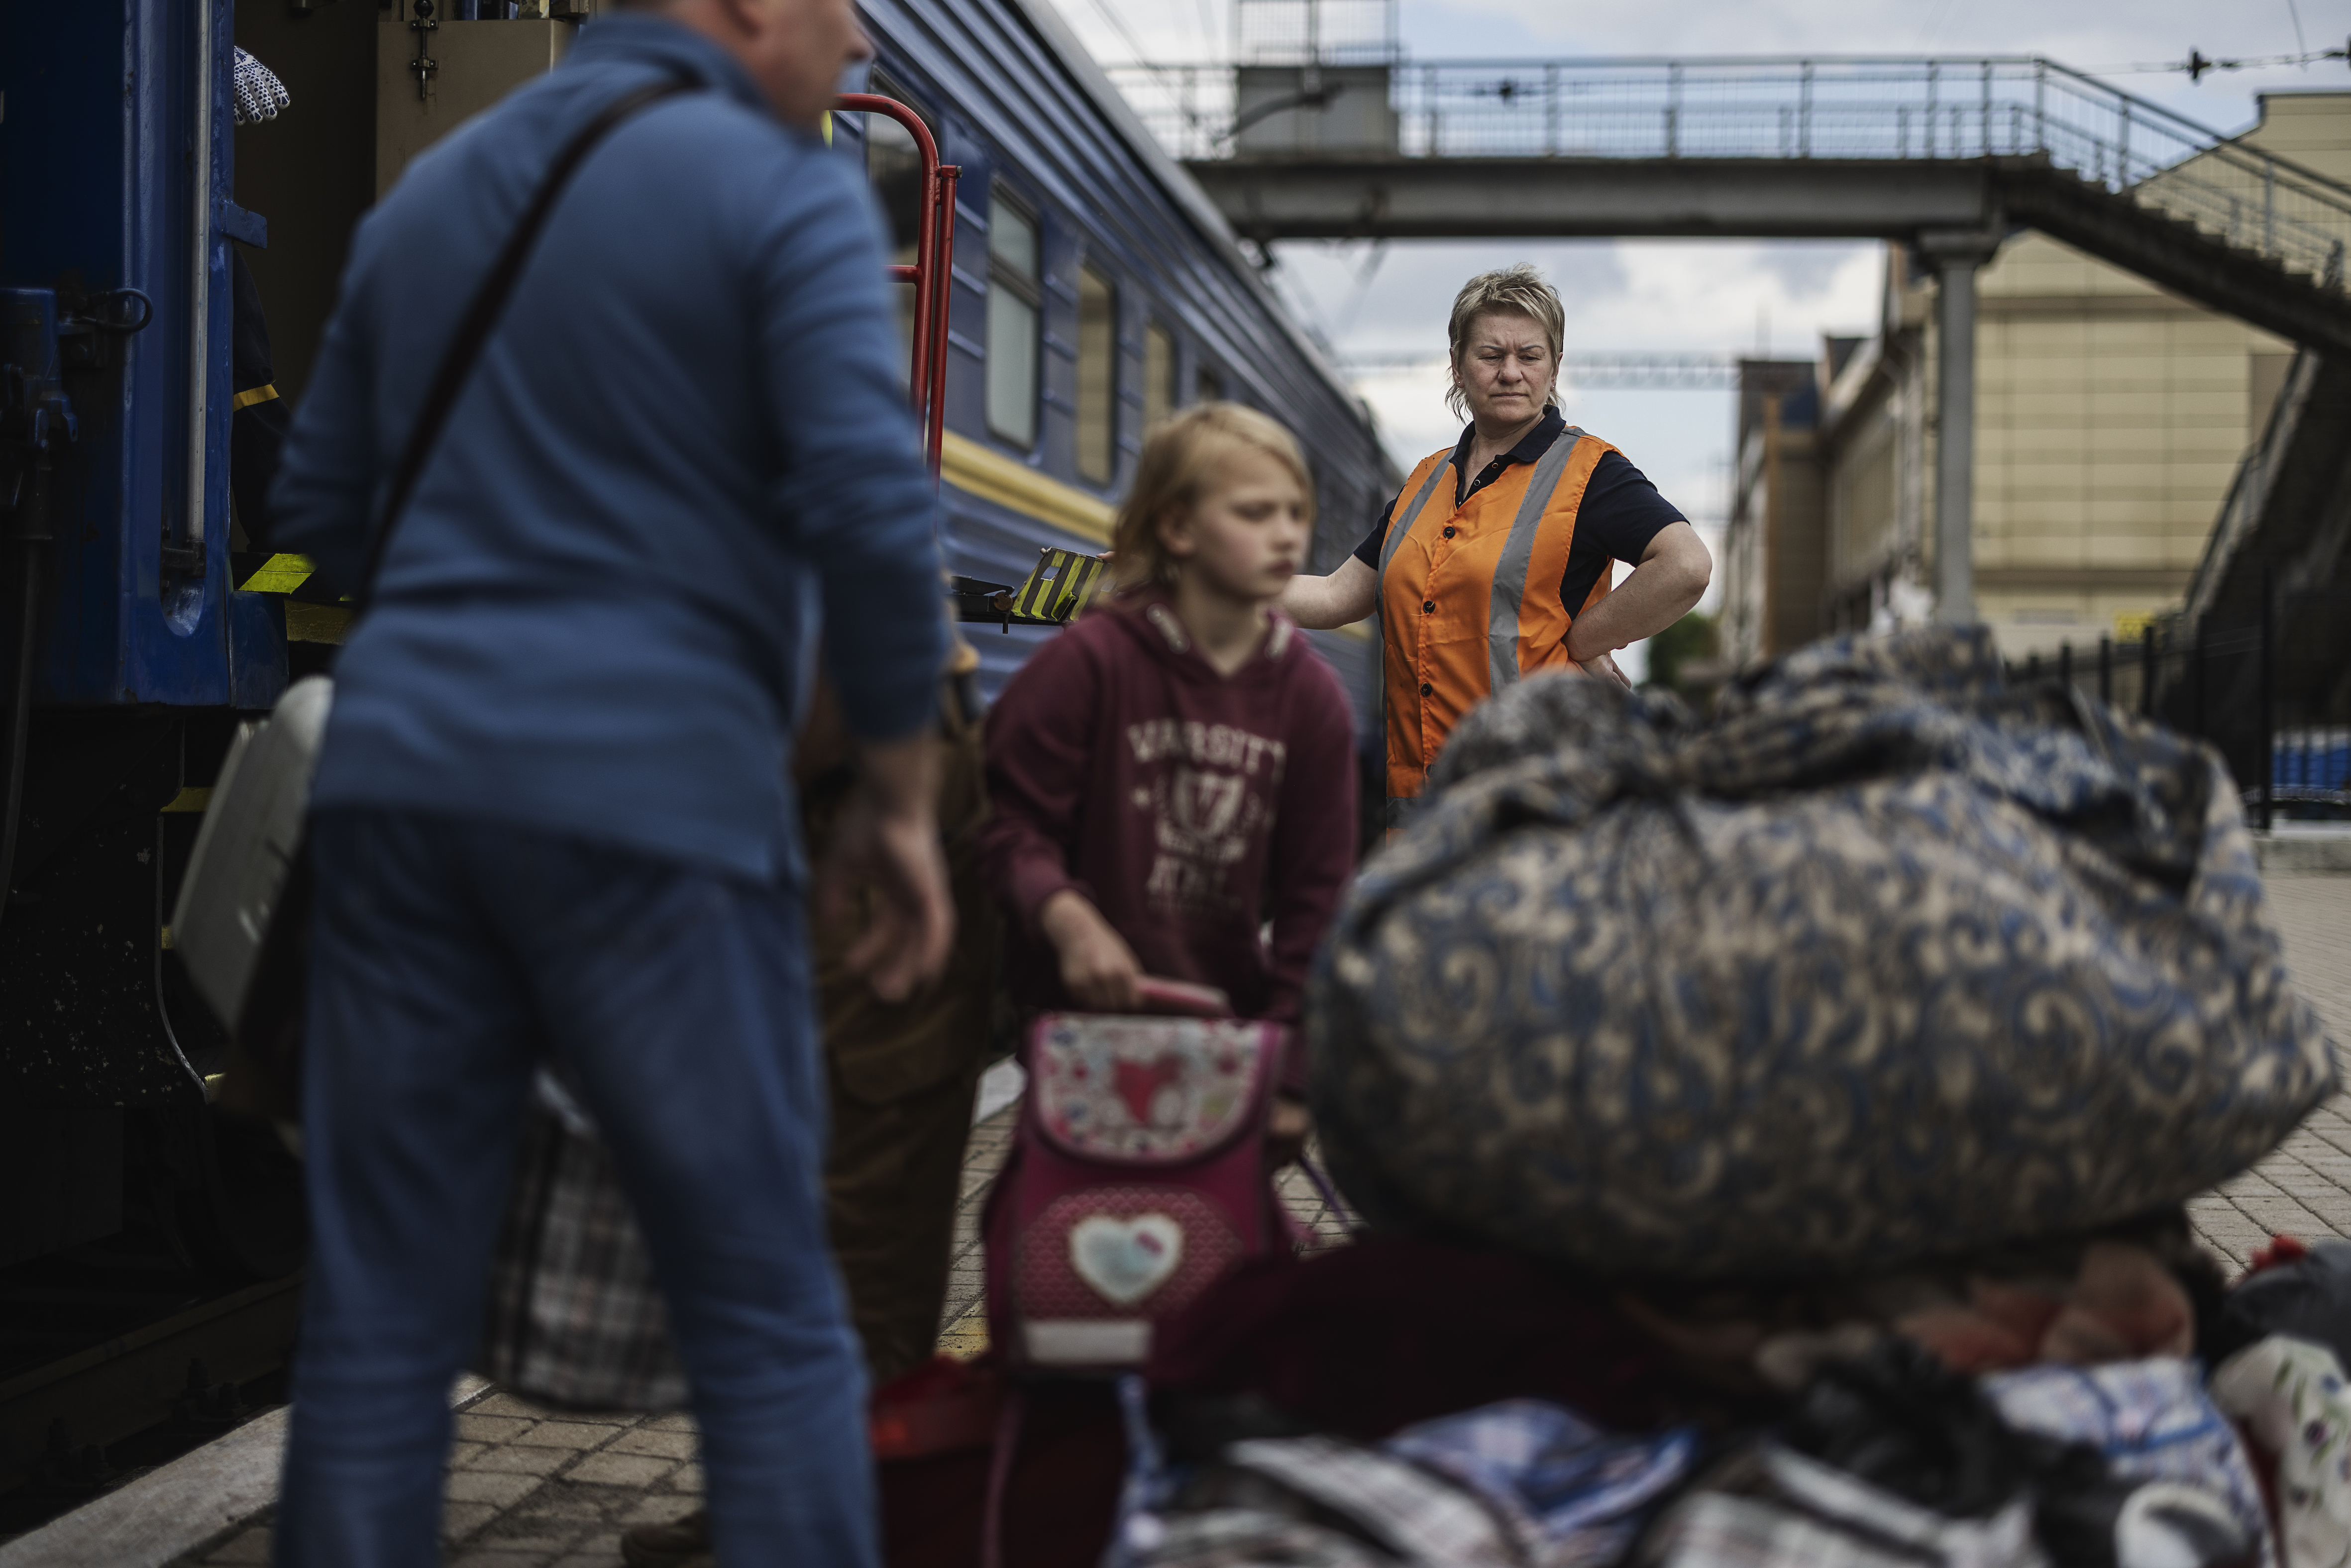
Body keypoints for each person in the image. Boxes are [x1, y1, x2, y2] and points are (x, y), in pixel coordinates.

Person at [263, 0, 952, 1563]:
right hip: (653, 802)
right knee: (768, 1314)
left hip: (396, 793)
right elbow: (867, 515)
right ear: (752, 10)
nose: (855, 60)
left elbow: (316, 500)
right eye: (843, 22)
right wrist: (899, 799)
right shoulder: (786, 194)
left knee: (375, 1325)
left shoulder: (431, 192)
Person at [622, 642, 1002, 1568]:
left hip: (861, 760)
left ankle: (854, 1509)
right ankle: (769, 1500)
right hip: (791, 757)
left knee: (865, 1196)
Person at [977, 403, 1357, 1124]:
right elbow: (1009, 827)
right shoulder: (1086, 666)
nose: (1286, 535)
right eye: (1254, 513)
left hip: (1223, 1043)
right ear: (1178, 527)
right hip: (1074, 1038)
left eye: (1294, 513)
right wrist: (1066, 917)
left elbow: (1317, 903)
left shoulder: (1311, 701)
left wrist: (1292, 1072)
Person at [1281, 264, 1712, 822]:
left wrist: (1581, 641)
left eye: (1529, 356)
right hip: (1421, 812)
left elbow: (1686, 566)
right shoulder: (1423, 483)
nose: (1510, 372)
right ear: (1457, 366)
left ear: (1554, 368)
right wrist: (1199, 578)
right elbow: (1335, 595)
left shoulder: (1590, 473)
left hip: (1538, 806)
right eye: (1490, 355)